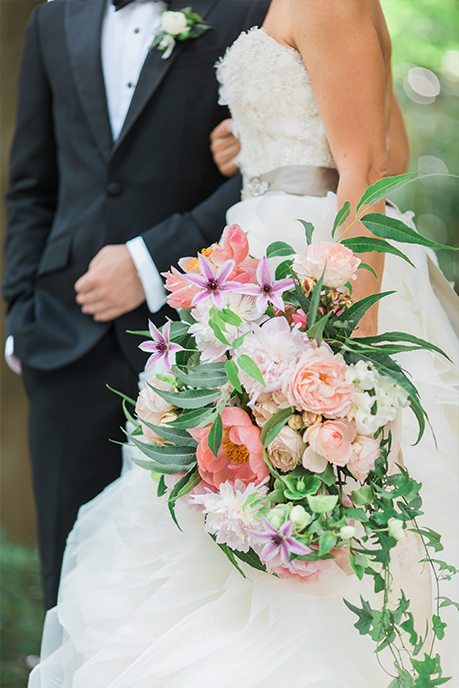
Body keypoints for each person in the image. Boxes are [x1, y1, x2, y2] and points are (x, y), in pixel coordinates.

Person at [28, 0, 459, 685]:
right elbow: (387, 141)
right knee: (222, 490)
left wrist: (340, 336)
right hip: (253, 251)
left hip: (303, 268)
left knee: (305, 482)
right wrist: (251, 142)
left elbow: (369, 167)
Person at [2, 0, 268, 610]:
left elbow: (269, 165)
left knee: (194, 583)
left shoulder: (244, 9)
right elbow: (31, 184)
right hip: (65, 336)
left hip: (204, 335)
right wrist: (21, 318)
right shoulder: (52, 20)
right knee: (67, 591)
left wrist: (151, 261)